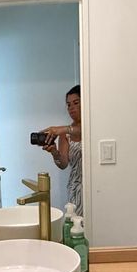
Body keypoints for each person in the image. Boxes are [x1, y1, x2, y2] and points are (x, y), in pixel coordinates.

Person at [42, 85, 82, 216]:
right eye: (68, 105)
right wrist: (54, 152)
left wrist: (63, 129)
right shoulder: (64, 134)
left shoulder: (93, 126)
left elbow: (83, 131)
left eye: (76, 103)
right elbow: (63, 164)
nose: (71, 108)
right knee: (76, 223)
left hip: (95, 185)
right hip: (75, 188)